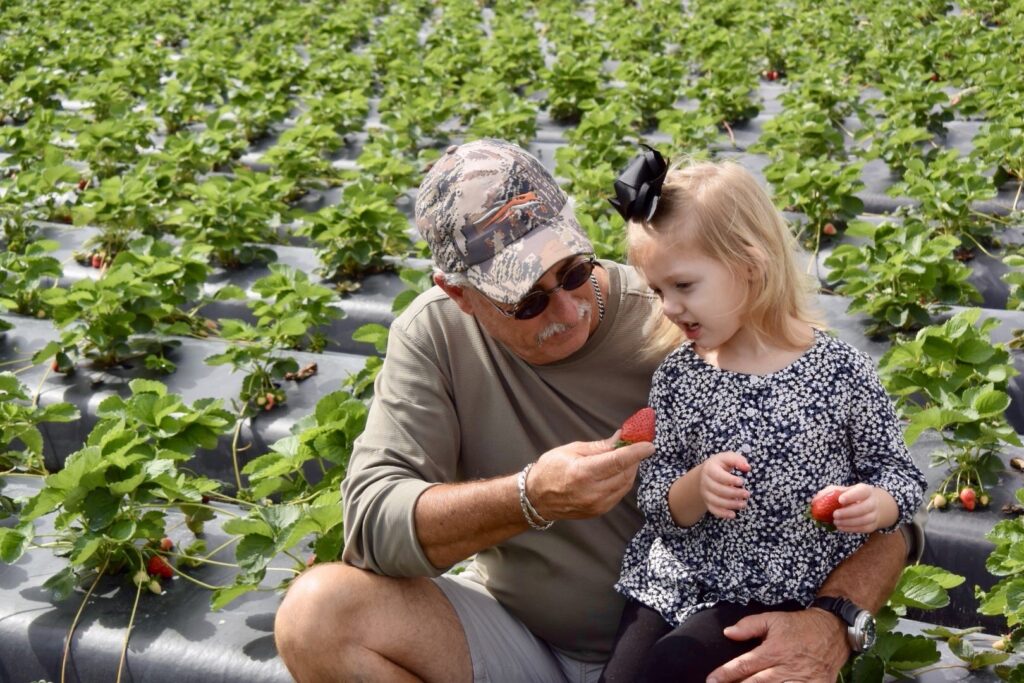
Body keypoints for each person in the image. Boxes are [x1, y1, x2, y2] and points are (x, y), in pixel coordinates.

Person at [273, 139, 919, 683]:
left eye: (573, 270)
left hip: (685, 638)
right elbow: (371, 522)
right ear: (459, 293)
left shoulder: (681, 319)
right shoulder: (435, 338)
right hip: (518, 636)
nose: (568, 309)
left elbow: (898, 515)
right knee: (316, 616)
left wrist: (836, 620)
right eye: (526, 299)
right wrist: (530, 497)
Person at [599, 152, 927, 682]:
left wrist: (879, 504)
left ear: (750, 266)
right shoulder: (678, 376)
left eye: (684, 286)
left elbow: (901, 473)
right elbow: (655, 496)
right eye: (658, 291)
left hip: (778, 586)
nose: (669, 308)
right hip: (675, 579)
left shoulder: (841, 371)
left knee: (676, 665)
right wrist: (695, 488)